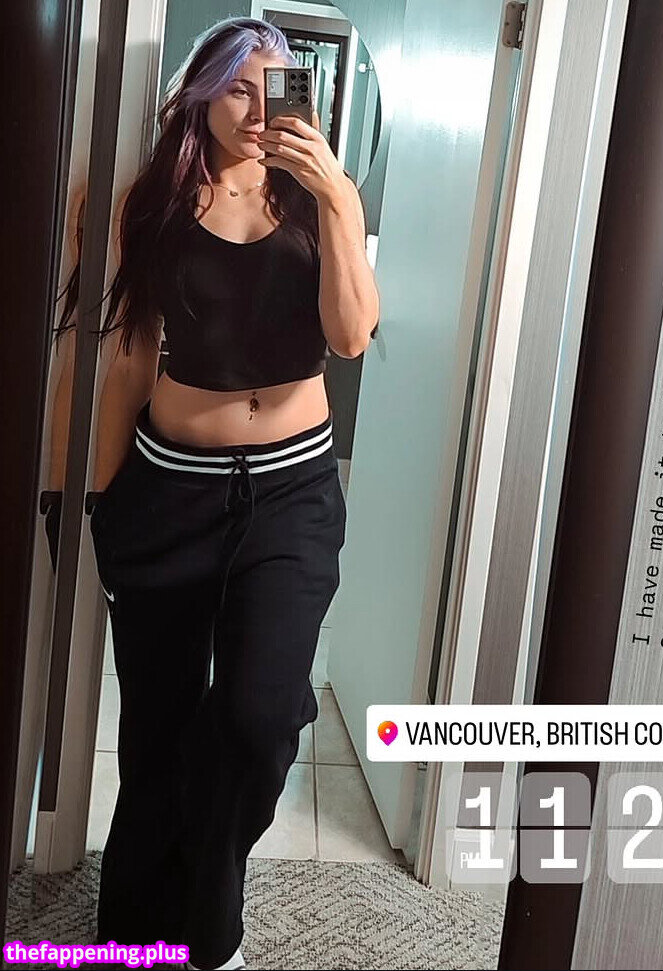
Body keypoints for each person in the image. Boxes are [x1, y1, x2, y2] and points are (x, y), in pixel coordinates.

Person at [67, 16, 379, 971]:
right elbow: (128, 359)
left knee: (257, 720)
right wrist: (100, 505)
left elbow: (350, 335)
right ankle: (136, 931)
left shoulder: (320, 198)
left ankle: (207, 916)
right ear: (202, 93)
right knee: (157, 730)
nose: (255, 109)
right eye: (238, 87)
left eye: (275, 88)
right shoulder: (150, 201)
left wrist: (335, 195)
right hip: (169, 490)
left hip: (290, 498)